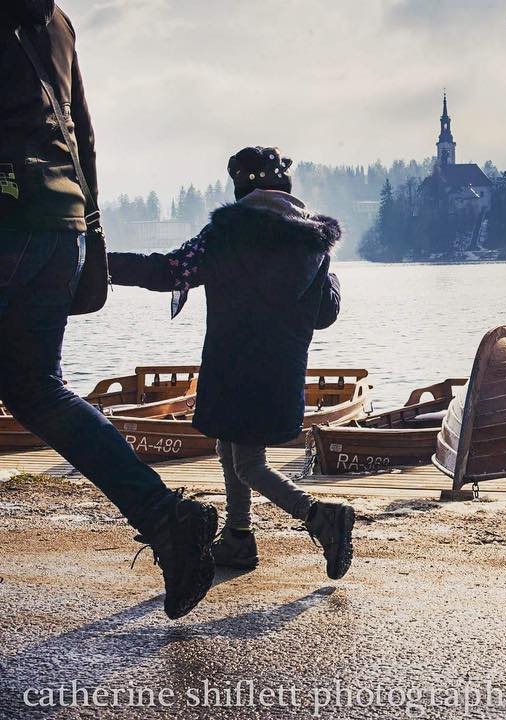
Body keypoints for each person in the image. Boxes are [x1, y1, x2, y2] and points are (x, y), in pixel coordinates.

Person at [0, 0, 217, 620]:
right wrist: (89, 231)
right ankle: (165, 516)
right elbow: (81, 132)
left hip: (7, 216)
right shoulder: (59, 21)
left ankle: (167, 517)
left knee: (35, 391)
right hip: (60, 224)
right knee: (38, 391)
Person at [108, 147, 356, 580]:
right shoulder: (313, 242)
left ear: (241, 187)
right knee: (232, 446)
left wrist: (99, 265)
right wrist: (326, 272)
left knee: (248, 464)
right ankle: (239, 538)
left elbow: (170, 271)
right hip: (281, 370)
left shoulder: (225, 233)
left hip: (233, 362)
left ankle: (320, 516)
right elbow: (326, 315)